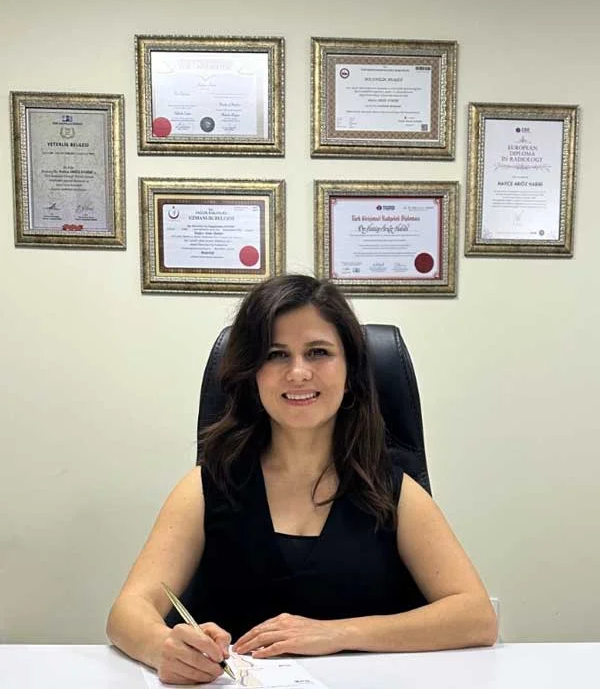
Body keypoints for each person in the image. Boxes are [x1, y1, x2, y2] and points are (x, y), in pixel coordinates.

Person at [107, 274, 497, 685]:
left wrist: (338, 633)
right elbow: (127, 612)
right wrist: (163, 648)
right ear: (252, 374)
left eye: (318, 352)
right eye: (276, 355)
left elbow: (476, 616)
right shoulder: (207, 486)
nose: (297, 373)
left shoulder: (393, 492)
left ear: (350, 372)